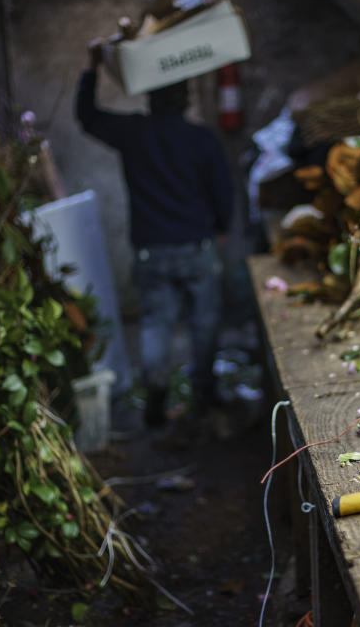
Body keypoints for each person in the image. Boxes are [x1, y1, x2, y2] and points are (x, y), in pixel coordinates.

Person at [76, 39, 234, 431]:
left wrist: (92, 67)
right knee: (205, 323)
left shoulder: (134, 133)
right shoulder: (201, 139)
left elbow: (87, 116)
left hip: (151, 251)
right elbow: (224, 191)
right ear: (185, 101)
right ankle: (204, 395)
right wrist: (223, 228)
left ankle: (157, 401)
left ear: (149, 99)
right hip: (197, 247)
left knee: (155, 325)